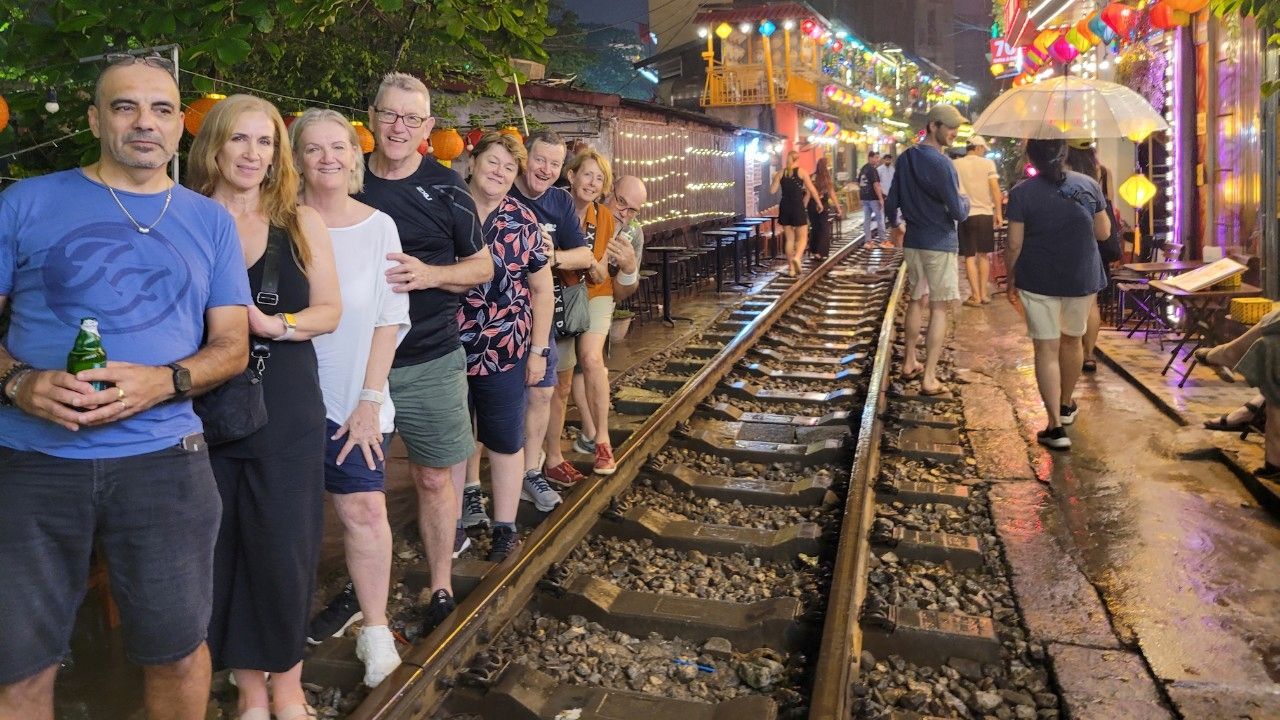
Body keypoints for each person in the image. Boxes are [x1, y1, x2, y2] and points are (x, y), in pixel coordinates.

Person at [0, 54, 251, 719]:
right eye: (125, 106)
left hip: (166, 464)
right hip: (31, 463)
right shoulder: (25, 202)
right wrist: (18, 382)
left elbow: (232, 346)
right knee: (18, 664)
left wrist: (164, 382)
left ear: (180, 127)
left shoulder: (210, 221)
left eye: (163, 109)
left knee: (175, 651)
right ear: (94, 118)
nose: (146, 123)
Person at [187, 94, 341, 718]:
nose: (253, 154)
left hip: (285, 402)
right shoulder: (183, 218)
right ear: (214, 146)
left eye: (266, 142)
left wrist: (273, 325)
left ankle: (287, 681)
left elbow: (330, 311)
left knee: (285, 546)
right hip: (204, 406)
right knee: (221, 548)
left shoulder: (301, 222)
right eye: (240, 140)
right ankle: (247, 688)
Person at [349, 72, 493, 634]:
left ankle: (439, 583)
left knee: (435, 478)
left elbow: (482, 267)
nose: (399, 128)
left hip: (429, 358)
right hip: (358, 365)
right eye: (389, 115)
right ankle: (370, 604)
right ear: (372, 117)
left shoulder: (447, 188)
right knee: (361, 490)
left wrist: (430, 274)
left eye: (412, 119)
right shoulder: (349, 180)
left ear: (429, 128)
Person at [290, 109, 410, 688]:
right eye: (313, 149)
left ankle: (375, 628)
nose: (327, 158)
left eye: (338, 146)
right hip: (285, 402)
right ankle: (276, 640)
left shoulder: (379, 226)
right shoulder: (278, 223)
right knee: (285, 522)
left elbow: (389, 319)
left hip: (354, 399)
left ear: (354, 155)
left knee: (363, 508)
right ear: (296, 159)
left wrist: (369, 398)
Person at [455, 131, 554, 562]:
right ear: (473, 162)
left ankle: (504, 525)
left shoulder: (523, 221)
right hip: (446, 347)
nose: (499, 172)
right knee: (457, 438)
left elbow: (542, 291)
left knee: (505, 439)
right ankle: (465, 502)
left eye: (509, 167)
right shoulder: (448, 209)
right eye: (492, 161)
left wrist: (538, 351)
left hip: (505, 347)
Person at [1004, 138, 1110, 451]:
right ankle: (1066, 405)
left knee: (1046, 348)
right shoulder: (1089, 184)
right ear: (1064, 154)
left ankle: (1054, 427)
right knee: (1072, 340)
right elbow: (1103, 233)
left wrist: (1011, 278)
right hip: (1081, 276)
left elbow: (1013, 244)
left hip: (1037, 279)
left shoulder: (1021, 193)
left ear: (1030, 157)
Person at [507, 129, 595, 499]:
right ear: (526, 157)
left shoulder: (559, 202)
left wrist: (551, 255)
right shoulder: (502, 190)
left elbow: (585, 257)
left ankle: (530, 471)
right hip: (497, 313)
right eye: (540, 159)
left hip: (542, 315)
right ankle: (473, 486)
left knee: (543, 393)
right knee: (489, 401)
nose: (545, 169)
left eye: (554, 164)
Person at [885, 105, 971, 396]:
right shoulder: (943, 164)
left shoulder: (906, 157)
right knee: (938, 307)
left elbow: (890, 202)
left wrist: (895, 225)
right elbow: (958, 211)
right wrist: (966, 200)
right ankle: (929, 378)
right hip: (940, 243)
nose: (954, 132)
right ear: (934, 126)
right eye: (949, 127)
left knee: (916, 300)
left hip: (914, 242)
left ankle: (910, 361)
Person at [543, 149, 620, 478]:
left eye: (599, 179)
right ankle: (553, 455)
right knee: (558, 382)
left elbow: (601, 275)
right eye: (587, 174)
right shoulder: (550, 205)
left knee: (590, 358)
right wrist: (579, 259)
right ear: (571, 176)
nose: (592, 183)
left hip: (593, 295)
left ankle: (601, 439)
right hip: (557, 297)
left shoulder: (604, 218)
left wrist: (570, 258)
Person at [571, 175, 647, 452]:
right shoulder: (582, 212)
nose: (623, 213)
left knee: (590, 359)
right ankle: (588, 433)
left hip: (599, 299)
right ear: (609, 191)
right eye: (620, 202)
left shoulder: (632, 234)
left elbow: (621, 293)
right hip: (564, 295)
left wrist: (628, 269)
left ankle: (595, 434)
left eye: (632, 211)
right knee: (572, 369)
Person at [1065, 140, 1118, 374]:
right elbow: (1109, 205)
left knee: (1070, 299)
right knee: (1092, 301)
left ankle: (1072, 347)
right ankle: (1088, 354)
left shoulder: (1066, 174)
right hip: (1099, 239)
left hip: (1074, 239)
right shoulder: (1103, 172)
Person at [952, 135, 1003, 306]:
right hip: (985, 214)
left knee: (969, 256)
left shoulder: (956, 164)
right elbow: (995, 189)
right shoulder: (988, 164)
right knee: (983, 255)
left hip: (966, 214)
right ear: (979, 148)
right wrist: (999, 213)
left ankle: (975, 296)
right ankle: (984, 294)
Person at [770, 150, 822, 276]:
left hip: (785, 206)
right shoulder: (801, 172)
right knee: (803, 238)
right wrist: (819, 203)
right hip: (797, 206)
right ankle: (797, 258)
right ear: (797, 159)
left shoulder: (780, 173)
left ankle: (791, 269)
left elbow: (772, 191)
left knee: (789, 239)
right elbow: (812, 190)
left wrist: (774, 178)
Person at [807, 157, 842, 259]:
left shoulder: (812, 176)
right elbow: (832, 193)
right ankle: (821, 252)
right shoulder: (826, 178)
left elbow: (808, 193)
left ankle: (814, 250)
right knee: (824, 227)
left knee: (815, 227)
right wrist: (838, 207)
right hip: (823, 204)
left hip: (812, 204)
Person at [857, 151, 885, 246]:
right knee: (880, 218)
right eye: (876, 158)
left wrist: (860, 197)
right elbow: (876, 185)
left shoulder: (863, 169)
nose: (877, 160)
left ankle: (868, 241)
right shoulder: (872, 170)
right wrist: (881, 199)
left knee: (867, 219)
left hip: (864, 198)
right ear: (870, 157)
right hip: (873, 198)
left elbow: (858, 183)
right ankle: (883, 241)